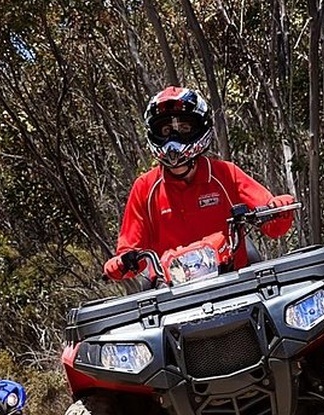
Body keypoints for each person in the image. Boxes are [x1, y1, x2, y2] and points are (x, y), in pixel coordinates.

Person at [104, 86, 295, 280]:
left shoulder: (226, 174)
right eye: (166, 129)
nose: (174, 137)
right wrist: (120, 263)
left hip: (234, 281)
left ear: (200, 128)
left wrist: (280, 209)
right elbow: (129, 253)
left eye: (184, 128)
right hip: (169, 295)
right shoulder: (145, 188)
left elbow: (274, 225)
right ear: (154, 133)